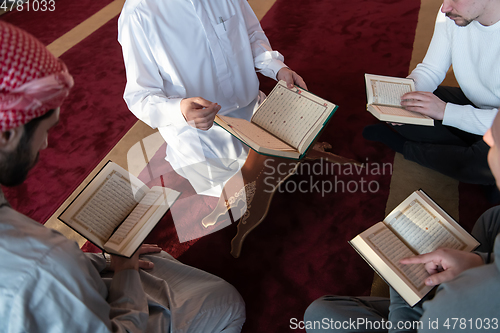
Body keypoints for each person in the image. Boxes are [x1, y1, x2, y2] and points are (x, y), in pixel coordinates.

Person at [0, 21, 245, 332]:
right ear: (7, 134)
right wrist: (125, 269)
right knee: (224, 299)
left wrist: (100, 262)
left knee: (155, 261)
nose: (46, 143)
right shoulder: (44, 263)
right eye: (45, 130)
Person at [302, 112, 500, 332]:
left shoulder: (459, 308)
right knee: (494, 217)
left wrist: (403, 285)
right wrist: (480, 261)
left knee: (320, 314)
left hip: (436, 318)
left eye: (496, 139)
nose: (488, 138)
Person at [118, 0, 307, 197]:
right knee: (245, 194)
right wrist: (181, 110)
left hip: (253, 109)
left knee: (295, 155)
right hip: (201, 133)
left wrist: (277, 68)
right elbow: (140, 95)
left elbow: (250, 36)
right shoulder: (139, 12)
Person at [363, 0, 500, 185]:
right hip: (473, 102)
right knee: (395, 104)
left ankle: (405, 147)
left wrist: (445, 111)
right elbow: (431, 69)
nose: (444, 8)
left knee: (479, 166)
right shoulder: (453, 13)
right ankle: (468, 150)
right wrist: (405, 91)